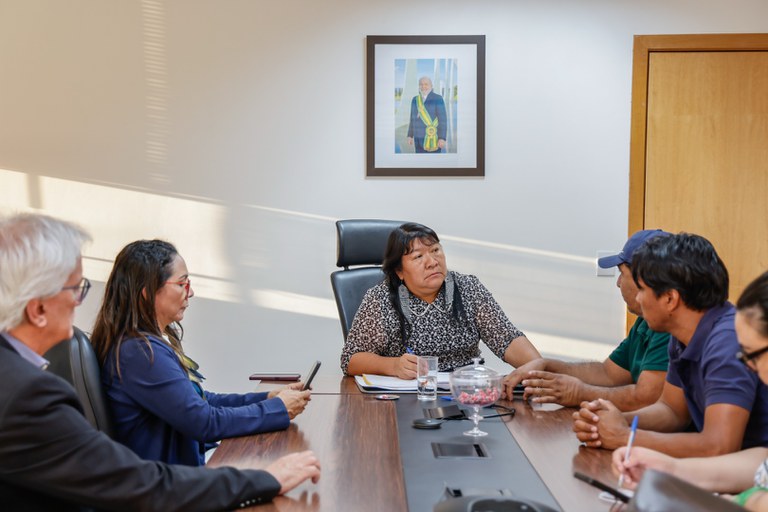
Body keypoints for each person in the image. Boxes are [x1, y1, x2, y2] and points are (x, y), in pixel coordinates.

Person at [0, 213, 320, 511]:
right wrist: (268, 478)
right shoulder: (30, 395)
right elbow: (140, 480)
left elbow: (196, 401)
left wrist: (263, 399)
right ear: (38, 309)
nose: (78, 301)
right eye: (76, 289)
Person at [90, 239, 311, 466]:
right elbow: (203, 422)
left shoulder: (145, 344)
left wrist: (266, 398)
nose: (191, 292)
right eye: (182, 284)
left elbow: (201, 402)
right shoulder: (140, 353)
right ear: (146, 292)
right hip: (169, 486)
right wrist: (277, 409)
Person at [572, 233, 768, 457]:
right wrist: (609, 420)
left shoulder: (726, 342)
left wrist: (625, 437)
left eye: (643, 290)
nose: (638, 299)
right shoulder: (680, 334)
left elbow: (720, 445)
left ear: (669, 299)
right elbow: (672, 411)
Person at [612, 271, 768, 510]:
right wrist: (669, 469)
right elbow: (761, 465)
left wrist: (743, 501)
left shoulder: (722, 339)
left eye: (752, 354)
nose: (749, 368)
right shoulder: (680, 339)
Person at [340, 222, 541, 378]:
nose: (432, 262)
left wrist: (541, 371)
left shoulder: (467, 287)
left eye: (436, 250)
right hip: (407, 397)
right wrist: (392, 366)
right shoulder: (381, 298)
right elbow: (351, 360)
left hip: (465, 393)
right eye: (418, 257)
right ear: (399, 271)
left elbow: (506, 338)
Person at [501, 229, 671, 410]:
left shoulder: (667, 328)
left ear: (644, 281)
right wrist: (547, 365)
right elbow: (608, 374)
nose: (618, 282)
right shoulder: (644, 322)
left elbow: (647, 398)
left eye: (622, 273)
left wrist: (580, 393)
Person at [406, 76, 448, 153]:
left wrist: (442, 138)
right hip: (417, 140)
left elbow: (443, 120)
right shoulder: (415, 99)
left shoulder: (438, 98)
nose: (423, 86)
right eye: (421, 84)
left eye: (426, 84)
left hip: (433, 139)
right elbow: (412, 119)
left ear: (431, 86)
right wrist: (410, 135)